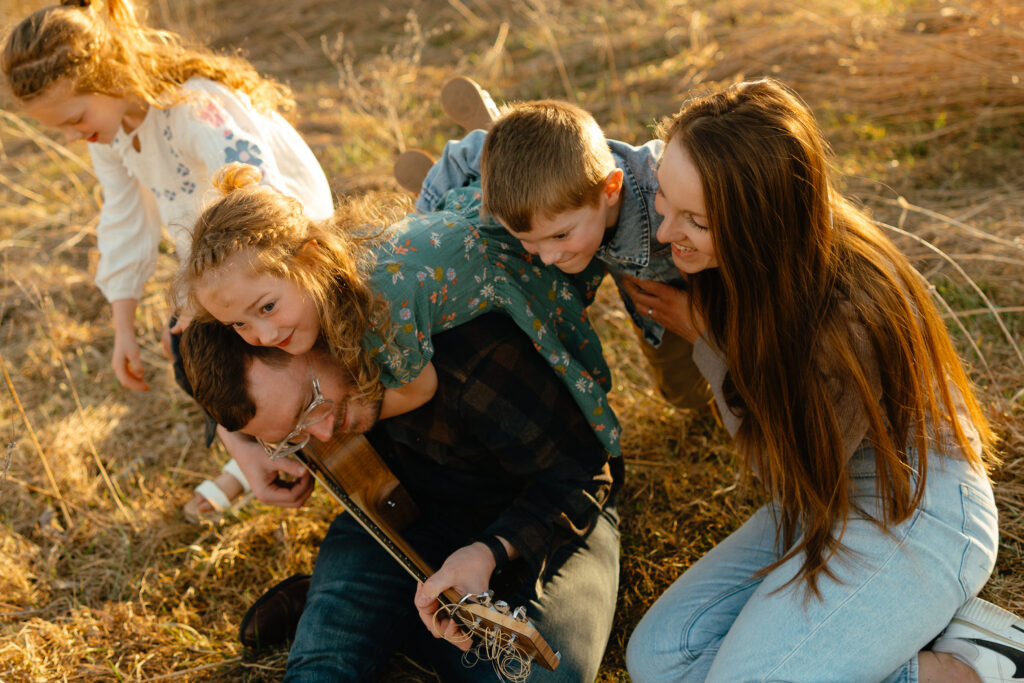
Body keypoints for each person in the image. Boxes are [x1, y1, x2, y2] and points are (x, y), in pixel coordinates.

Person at [622, 77, 1022, 682]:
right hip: (817, 498)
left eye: (695, 220)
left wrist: (707, 332)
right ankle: (895, 648)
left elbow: (779, 463)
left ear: (762, 220)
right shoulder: (755, 254)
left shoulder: (845, 317)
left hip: (912, 501)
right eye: (663, 201)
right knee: (663, 658)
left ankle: (975, 666)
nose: (663, 233)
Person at [1, 0, 333, 521]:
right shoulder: (113, 136)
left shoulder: (193, 107)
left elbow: (258, 196)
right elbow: (124, 219)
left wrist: (200, 302)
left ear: (108, 75)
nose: (72, 136)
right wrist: (123, 326)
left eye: (75, 118)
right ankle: (253, 454)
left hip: (283, 252)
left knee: (207, 342)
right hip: (224, 273)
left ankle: (283, 444)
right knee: (188, 349)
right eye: (59, 129)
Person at [179, 312, 622, 682]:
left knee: (544, 675)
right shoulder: (248, 320)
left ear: (305, 328)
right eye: (293, 435)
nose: (324, 434)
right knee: (320, 672)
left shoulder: (467, 356)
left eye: (309, 407)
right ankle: (368, 606)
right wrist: (240, 442)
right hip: (394, 505)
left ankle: (367, 611)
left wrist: (488, 553)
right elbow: (184, 342)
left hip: (540, 509)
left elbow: (582, 475)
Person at [175, 164, 621, 454]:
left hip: (504, 264)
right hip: (456, 232)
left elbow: (418, 389)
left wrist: (340, 422)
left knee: (566, 359)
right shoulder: (316, 282)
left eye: (267, 307)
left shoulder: (380, 304)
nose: (265, 336)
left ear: (310, 259)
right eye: (239, 324)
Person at [397, 85, 711, 412]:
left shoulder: (666, 190)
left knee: (702, 378)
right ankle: (468, 190)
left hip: (688, 292)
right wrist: (424, 221)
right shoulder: (568, 222)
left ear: (610, 190)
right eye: (530, 239)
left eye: (559, 236)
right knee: (682, 394)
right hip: (609, 254)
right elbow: (467, 152)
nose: (546, 256)